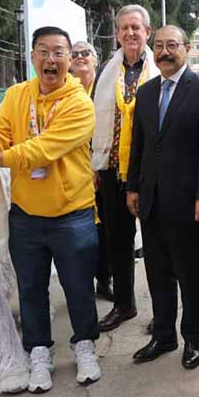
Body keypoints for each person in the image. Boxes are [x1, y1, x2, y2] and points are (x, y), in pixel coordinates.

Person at [0, 26, 101, 393]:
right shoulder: (16, 95)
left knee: (77, 287)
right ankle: (39, 352)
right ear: (32, 56)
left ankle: (85, 345)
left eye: (59, 52)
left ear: (70, 60)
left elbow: (39, 151)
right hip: (26, 214)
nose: (51, 59)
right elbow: (2, 136)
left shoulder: (79, 103)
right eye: (44, 51)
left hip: (72, 214)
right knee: (31, 289)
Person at [126, 25, 199, 370]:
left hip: (187, 202)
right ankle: (163, 335)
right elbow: (138, 144)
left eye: (172, 45)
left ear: (187, 48)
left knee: (189, 273)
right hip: (151, 200)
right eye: (159, 46)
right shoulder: (147, 91)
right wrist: (133, 188)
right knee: (157, 272)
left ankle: (193, 339)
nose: (165, 52)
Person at [91, 5, 159, 331]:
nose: (130, 33)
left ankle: (163, 311)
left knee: (159, 243)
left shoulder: (161, 67)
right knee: (118, 241)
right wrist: (94, 165)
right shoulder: (107, 71)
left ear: (148, 31)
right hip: (112, 168)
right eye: (124, 28)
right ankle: (124, 305)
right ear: (117, 34)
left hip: (151, 172)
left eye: (136, 27)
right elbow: (92, 119)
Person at [71, 40, 112, 300]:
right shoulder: (68, 91)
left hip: (103, 165)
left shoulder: (106, 86)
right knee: (83, 229)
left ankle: (105, 278)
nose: (80, 57)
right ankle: (84, 280)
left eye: (86, 53)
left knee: (107, 228)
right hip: (76, 169)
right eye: (75, 54)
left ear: (95, 59)